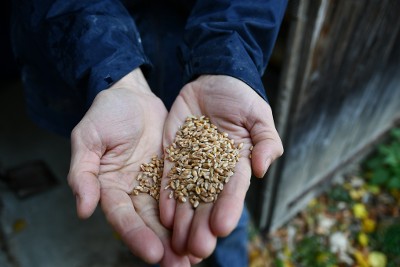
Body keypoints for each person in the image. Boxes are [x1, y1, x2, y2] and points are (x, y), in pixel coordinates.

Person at [11, 0, 286, 266]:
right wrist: (109, 68)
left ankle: (230, 260)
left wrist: (227, 58)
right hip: (86, 65)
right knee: (153, 219)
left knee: (221, 214)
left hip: (199, 56)